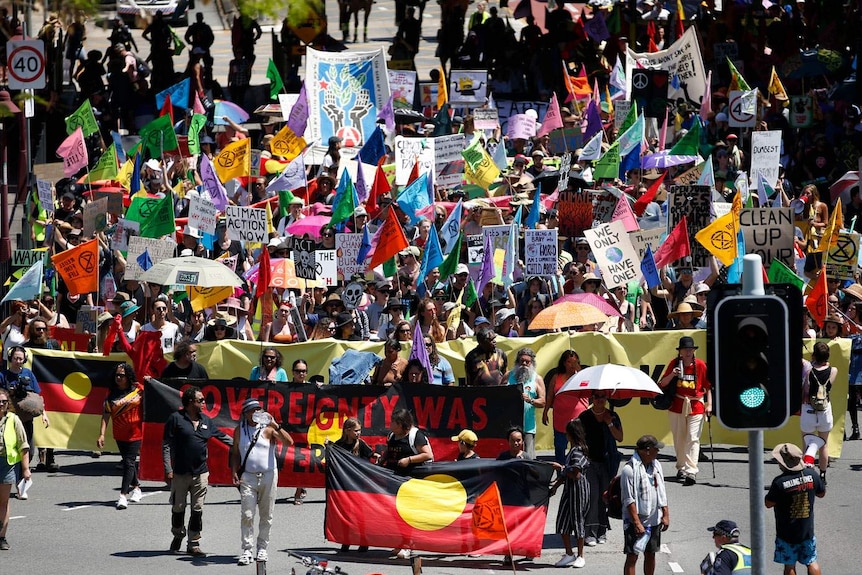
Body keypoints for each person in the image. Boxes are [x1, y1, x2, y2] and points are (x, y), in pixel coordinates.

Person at [162, 386, 234, 556]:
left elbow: (223, 437)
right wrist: (168, 469)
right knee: (178, 508)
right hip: (180, 473)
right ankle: (178, 534)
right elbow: (166, 445)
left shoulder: (206, 421)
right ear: (190, 402)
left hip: (201, 473)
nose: (204, 403)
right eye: (200, 400)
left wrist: (244, 446)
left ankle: (193, 542)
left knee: (197, 509)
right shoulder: (175, 419)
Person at [229, 398, 294, 565]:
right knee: (247, 514)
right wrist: (234, 470)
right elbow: (235, 452)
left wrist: (275, 424)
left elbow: (289, 442)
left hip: (268, 475)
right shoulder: (239, 430)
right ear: (245, 413)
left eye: (258, 410)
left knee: (266, 515)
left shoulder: (268, 429)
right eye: (252, 410)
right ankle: (247, 550)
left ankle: (262, 548)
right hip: (248, 476)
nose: (256, 413)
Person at [765, 443, 826, 575]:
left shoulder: (779, 482)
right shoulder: (812, 474)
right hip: (807, 530)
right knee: (811, 561)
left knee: (789, 565)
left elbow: (768, 503)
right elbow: (821, 494)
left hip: (786, 532)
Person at [658, 336, 712, 485]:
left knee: (693, 438)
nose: (688, 352)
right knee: (679, 439)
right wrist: (673, 374)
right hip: (677, 405)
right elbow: (662, 383)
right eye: (685, 350)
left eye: (691, 349)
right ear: (680, 352)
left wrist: (709, 404)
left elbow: (707, 387)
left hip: (696, 405)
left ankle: (691, 471)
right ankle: (681, 467)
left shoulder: (700, 365)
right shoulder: (674, 364)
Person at [380, 408, 433, 559]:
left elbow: (428, 454)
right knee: (395, 513)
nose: (390, 425)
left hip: (411, 482)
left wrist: (408, 460)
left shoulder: (416, 436)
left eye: (393, 422)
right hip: (393, 479)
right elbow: (389, 451)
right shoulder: (392, 436)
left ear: (402, 424)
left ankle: (408, 544)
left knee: (407, 513)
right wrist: (382, 460)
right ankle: (400, 541)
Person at [578, 391, 623, 546]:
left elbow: (620, 437)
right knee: (592, 496)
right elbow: (577, 439)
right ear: (592, 398)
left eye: (602, 397)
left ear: (606, 398)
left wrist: (609, 423)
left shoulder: (613, 416)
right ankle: (589, 533)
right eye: (596, 397)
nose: (599, 400)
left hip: (606, 462)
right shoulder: (584, 417)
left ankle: (601, 531)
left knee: (604, 497)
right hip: (589, 462)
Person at [97, 363, 144, 510]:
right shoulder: (111, 394)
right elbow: (105, 415)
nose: (118, 377)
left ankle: (123, 495)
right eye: (117, 375)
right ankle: (137, 488)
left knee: (129, 463)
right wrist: (102, 434)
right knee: (128, 461)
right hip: (119, 433)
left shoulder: (139, 390)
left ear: (128, 376)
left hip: (136, 433)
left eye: (122, 375)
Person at [622, 435, 669, 575]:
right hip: (635, 522)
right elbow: (629, 499)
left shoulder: (656, 465)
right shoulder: (629, 470)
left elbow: (662, 491)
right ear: (647, 451)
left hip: (654, 520)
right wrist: (637, 523)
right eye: (656, 449)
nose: (658, 452)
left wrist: (665, 514)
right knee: (632, 556)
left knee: (651, 554)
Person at [334, 417, 378, 552]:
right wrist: (328, 448)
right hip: (345, 485)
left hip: (360, 485)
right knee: (346, 514)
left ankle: (363, 541)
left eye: (359, 430)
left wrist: (376, 456)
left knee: (360, 515)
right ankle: (346, 540)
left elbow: (371, 454)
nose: (358, 433)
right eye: (355, 431)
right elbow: (334, 459)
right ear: (347, 431)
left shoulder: (361, 444)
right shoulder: (339, 445)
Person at [551, 419, 590, 568]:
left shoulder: (578, 451)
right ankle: (569, 553)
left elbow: (576, 474)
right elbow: (567, 473)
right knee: (563, 522)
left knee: (578, 521)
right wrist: (555, 486)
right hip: (569, 490)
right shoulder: (573, 450)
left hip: (578, 491)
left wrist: (560, 468)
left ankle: (580, 555)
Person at [543, 350, 589, 465]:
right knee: (559, 448)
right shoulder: (556, 377)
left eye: (575, 362)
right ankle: (561, 474)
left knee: (578, 448)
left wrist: (578, 370)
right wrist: (545, 412)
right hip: (560, 420)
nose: (572, 365)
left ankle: (576, 472)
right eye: (569, 362)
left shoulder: (582, 377)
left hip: (578, 419)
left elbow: (588, 394)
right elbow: (549, 396)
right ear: (563, 363)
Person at [801, 342, 835, 486]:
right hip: (824, 409)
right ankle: (822, 475)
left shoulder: (809, 370)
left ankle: (806, 474)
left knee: (806, 444)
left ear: (814, 354)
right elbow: (828, 387)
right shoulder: (834, 370)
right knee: (824, 445)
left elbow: (806, 391)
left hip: (809, 409)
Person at [0, 387, 30, 550]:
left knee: (3, 502)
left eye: (4, 402)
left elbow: (23, 445)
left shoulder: (13, 420)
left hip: (6, 464)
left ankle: (2, 537)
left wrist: (25, 469)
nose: (1, 404)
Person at [504, 347, 545, 458]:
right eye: (522, 361)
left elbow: (542, 402)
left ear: (532, 363)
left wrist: (530, 400)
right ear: (517, 361)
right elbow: (499, 394)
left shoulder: (537, 379)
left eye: (527, 362)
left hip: (528, 426)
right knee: (509, 457)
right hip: (510, 425)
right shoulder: (508, 376)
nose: (524, 364)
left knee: (528, 458)